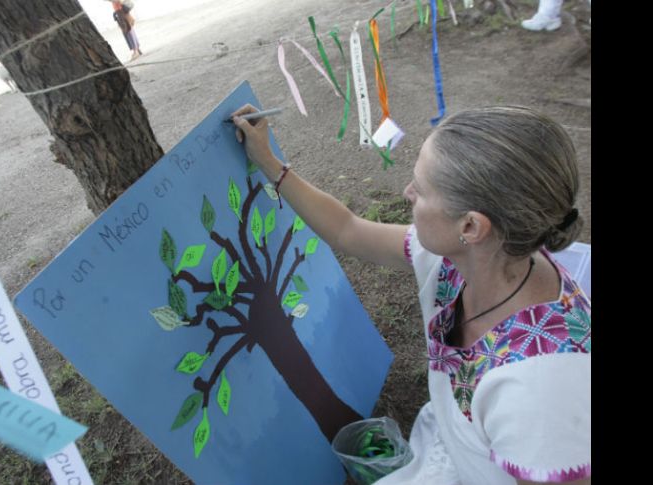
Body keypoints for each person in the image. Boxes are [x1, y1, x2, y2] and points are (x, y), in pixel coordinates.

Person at [230, 104, 590, 485]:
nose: (407, 192)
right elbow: (347, 230)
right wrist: (269, 162)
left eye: (421, 189)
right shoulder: (473, 256)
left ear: (470, 225)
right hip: (458, 452)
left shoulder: (541, 389)